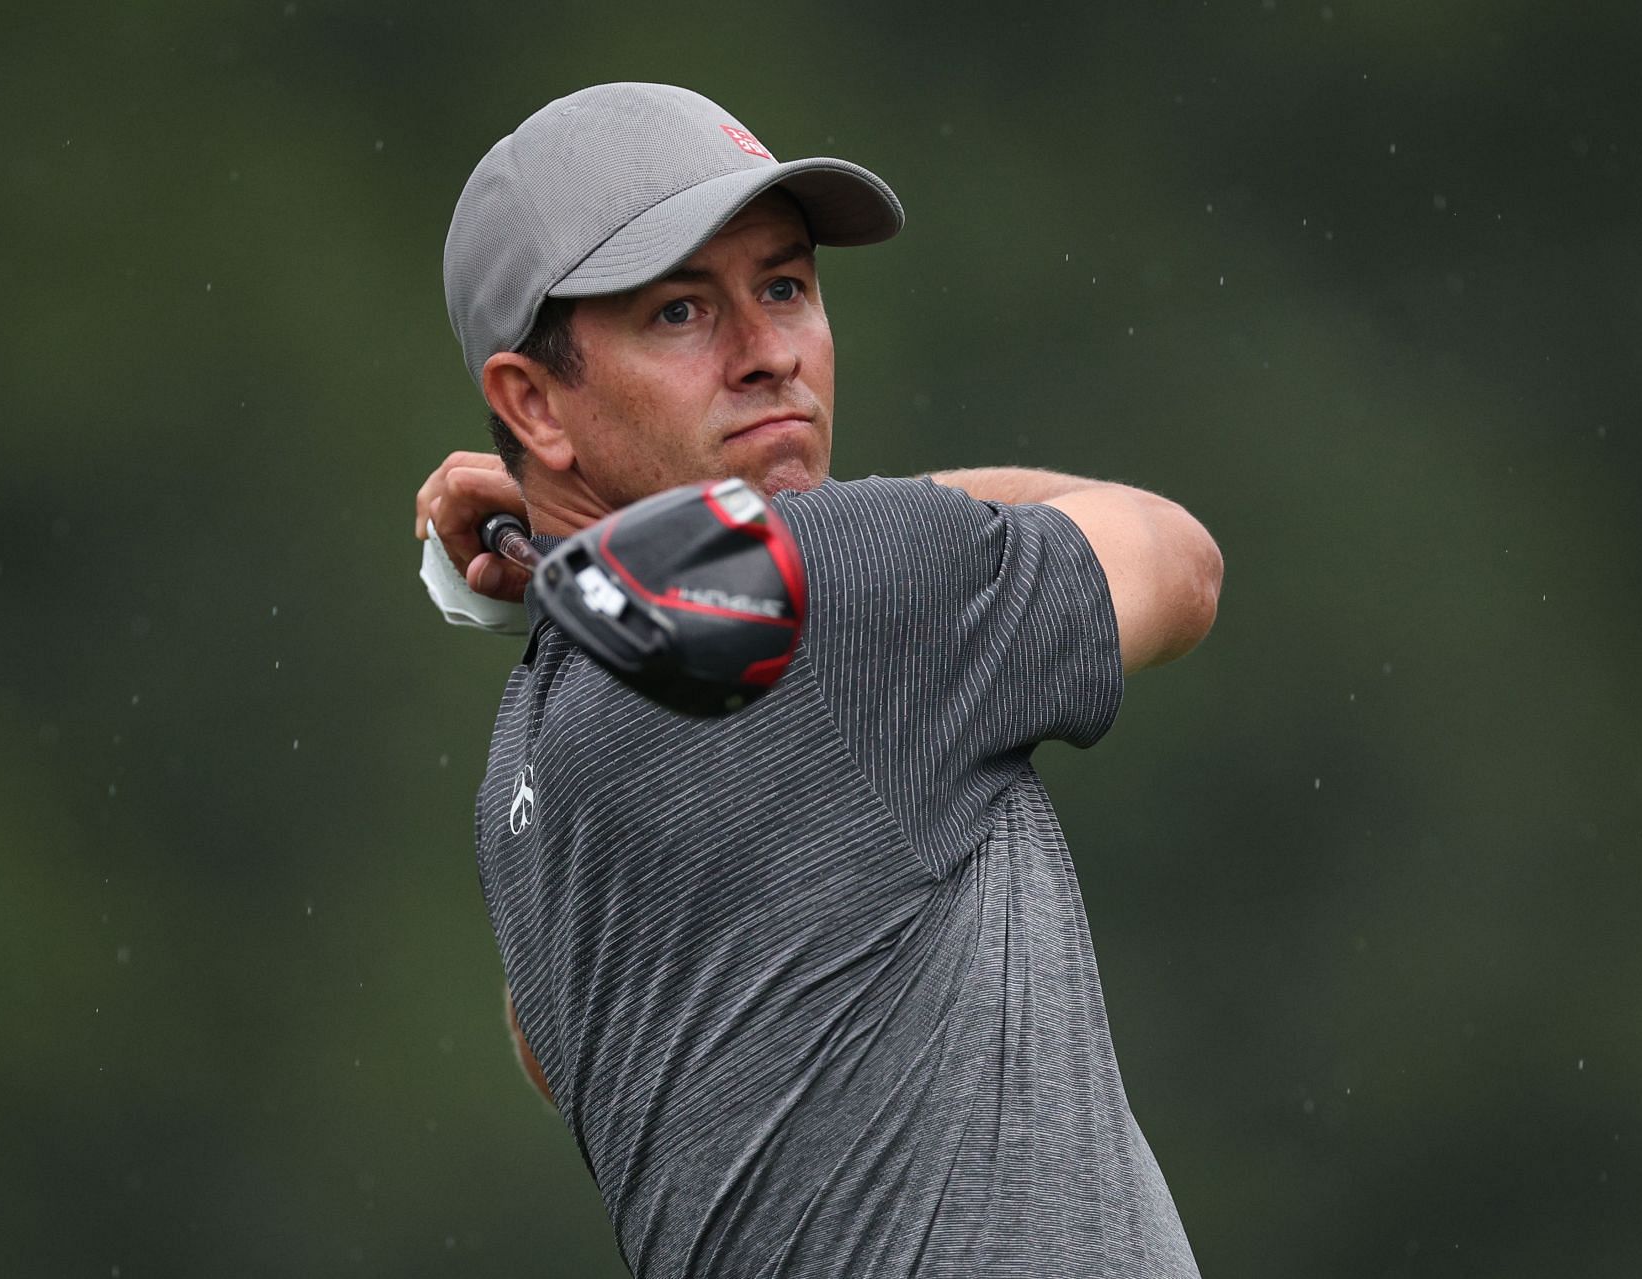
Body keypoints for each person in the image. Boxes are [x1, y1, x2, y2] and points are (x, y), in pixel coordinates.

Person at [414, 82, 1222, 1278]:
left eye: (785, 287)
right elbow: (1177, 559)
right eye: (683, 311)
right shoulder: (844, 590)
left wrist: (562, 550)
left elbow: (546, 1047)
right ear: (532, 404)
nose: (769, 354)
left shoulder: (529, 754)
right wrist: (628, 555)